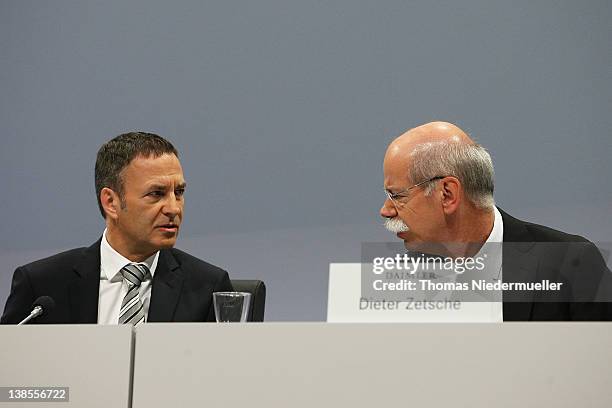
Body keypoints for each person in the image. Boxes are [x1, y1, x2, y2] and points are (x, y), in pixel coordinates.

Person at [380, 121, 611, 320]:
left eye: (397, 196)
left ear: (448, 194)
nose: (386, 210)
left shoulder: (571, 265)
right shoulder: (400, 281)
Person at [1, 132, 233, 324]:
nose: (173, 208)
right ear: (111, 202)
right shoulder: (43, 287)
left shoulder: (208, 287)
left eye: (179, 192)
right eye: (156, 194)